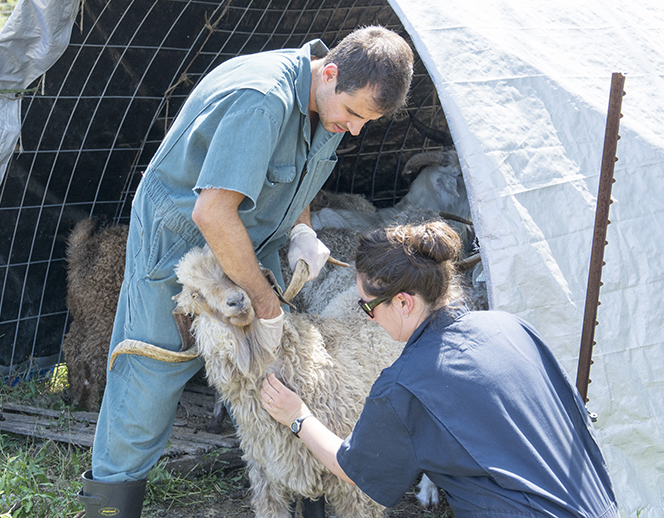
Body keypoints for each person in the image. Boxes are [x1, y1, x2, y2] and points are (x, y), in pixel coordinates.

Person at [77, 26, 414, 518]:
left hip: (249, 247)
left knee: (276, 377)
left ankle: (307, 496)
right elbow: (212, 213)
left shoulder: (324, 104)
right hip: (184, 256)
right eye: (356, 113)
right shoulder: (262, 101)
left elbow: (296, 178)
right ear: (333, 72)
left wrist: (301, 229)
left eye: (368, 120)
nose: (357, 129)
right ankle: (110, 507)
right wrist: (266, 302)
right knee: (149, 381)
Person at [260, 221, 618, 518]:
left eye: (368, 308)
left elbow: (351, 468)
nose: (368, 318)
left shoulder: (406, 385)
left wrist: (297, 415)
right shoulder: (511, 327)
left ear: (403, 302)